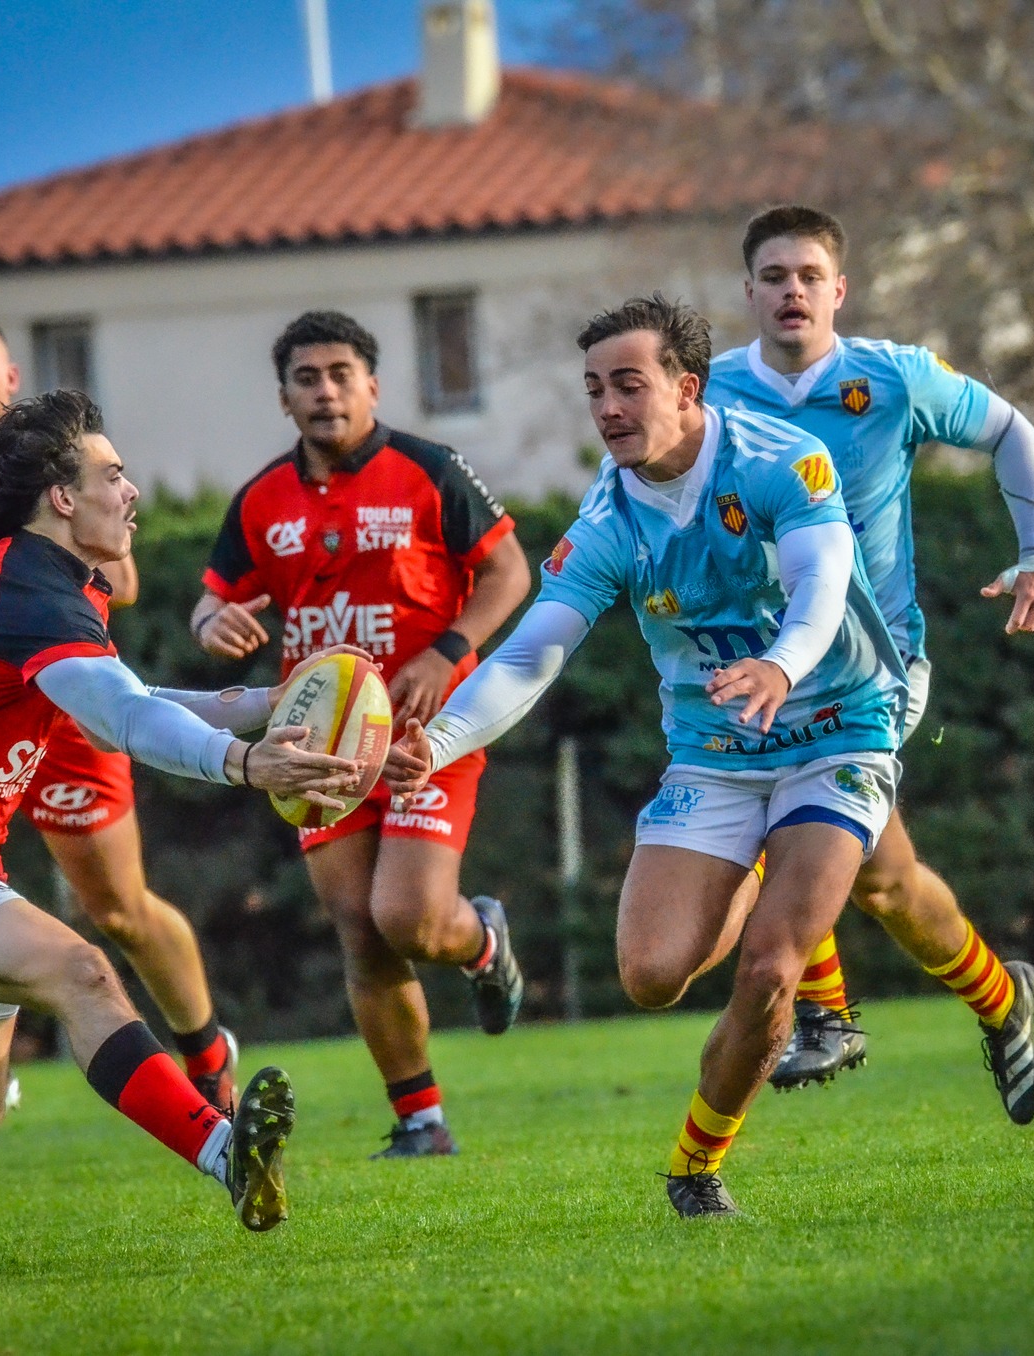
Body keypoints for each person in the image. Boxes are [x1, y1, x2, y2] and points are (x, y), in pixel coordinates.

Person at [0, 391, 409, 1272]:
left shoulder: (40, 582)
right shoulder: (26, 592)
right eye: (112, 474)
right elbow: (127, 723)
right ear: (60, 498)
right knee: (82, 969)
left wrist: (281, 699)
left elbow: (123, 702)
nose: (131, 491)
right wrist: (247, 763)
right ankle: (228, 1155)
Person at [387, 296, 942, 1218]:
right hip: (716, 757)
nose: (607, 407)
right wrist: (438, 741)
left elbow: (822, 585)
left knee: (770, 964)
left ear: (687, 390)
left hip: (839, 727)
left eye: (628, 385)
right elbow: (533, 652)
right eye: (595, 388)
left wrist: (780, 664)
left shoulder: (781, 460)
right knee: (650, 976)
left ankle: (694, 1165)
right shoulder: (607, 516)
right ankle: (763, 856)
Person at [707, 206, 1034, 1119]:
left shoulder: (892, 377)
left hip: (877, 666)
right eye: (774, 275)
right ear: (748, 291)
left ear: (839, 290)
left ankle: (825, 1012)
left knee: (781, 819)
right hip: (762, 667)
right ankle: (999, 997)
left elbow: (1012, 430)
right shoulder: (703, 397)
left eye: (809, 275)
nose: (792, 290)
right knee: (884, 882)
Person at [0, 315, 240, 1114]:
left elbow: (120, 579)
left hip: (66, 712)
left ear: (10, 381)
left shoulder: (63, 465)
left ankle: (207, 1055)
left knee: (116, 911)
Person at [191, 311, 532, 1158]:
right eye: (307, 378)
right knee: (359, 928)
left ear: (372, 385)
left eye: (341, 373)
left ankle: (480, 938)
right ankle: (420, 1121)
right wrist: (213, 623)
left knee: (409, 918)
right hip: (318, 744)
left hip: (424, 732)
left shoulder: (430, 470)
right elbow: (211, 598)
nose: (325, 390)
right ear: (284, 397)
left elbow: (511, 571)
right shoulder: (261, 499)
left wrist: (449, 650)